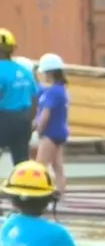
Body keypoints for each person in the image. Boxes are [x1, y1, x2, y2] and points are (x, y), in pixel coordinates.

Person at [33, 53, 71, 194]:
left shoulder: (53, 93)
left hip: (50, 133)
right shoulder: (60, 90)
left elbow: (45, 116)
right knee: (57, 166)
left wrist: (38, 131)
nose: (44, 75)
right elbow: (40, 88)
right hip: (60, 132)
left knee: (39, 166)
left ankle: (37, 193)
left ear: (50, 72)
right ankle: (61, 193)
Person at [0, 29, 38, 167]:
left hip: (3, 119)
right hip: (23, 121)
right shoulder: (24, 71)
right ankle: (22, 185)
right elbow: (35, 98)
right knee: (21, 162)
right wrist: (30, 121)